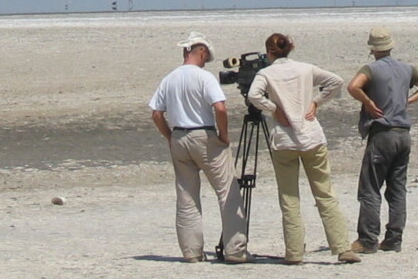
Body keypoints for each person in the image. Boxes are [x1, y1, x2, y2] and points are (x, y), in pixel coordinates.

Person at [247, 32, 362, 265]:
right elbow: (336, 81)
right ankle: (342, 247)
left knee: (289, 198)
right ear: (291, 48)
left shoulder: (266, 73)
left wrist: (273, 108)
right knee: (325, 192)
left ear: (269, 52)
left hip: (284, 140)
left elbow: (252, 95)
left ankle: (294, 252)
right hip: (311, 136)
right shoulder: (306, 69)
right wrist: (316, 102)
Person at [149, 32, 249, 264]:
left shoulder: (169, 78)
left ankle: (191, 251)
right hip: (204, 134)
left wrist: (169, 136)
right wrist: (223, 136)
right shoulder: (204, 78)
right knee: (227, 192)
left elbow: (156, 113)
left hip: (179, 137)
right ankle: (235, 250)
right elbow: (220, 109)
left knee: (186, 197)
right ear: (201, 51)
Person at [346, 26, 418, 253]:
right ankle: (394, 238)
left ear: (372, 49)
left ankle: (367, 239)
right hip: (403, 134)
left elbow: (352, 86)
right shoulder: (406, 68)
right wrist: (409, 101)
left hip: (383, 133)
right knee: (397, 188)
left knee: (371, 188)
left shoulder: (372, 68)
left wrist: (368, 103)